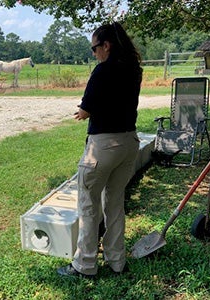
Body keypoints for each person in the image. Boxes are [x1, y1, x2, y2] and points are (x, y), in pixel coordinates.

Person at [57, 22, 143, 278]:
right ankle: (117, 262)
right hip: (129, 143)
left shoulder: (102, 71)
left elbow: (86, 109)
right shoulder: (135, 70)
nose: (94, 53)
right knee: (115, 203)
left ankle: (85, 265)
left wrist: (83, 112)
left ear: (107, 45)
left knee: (88, 204)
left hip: (103, 146)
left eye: (95, 48)